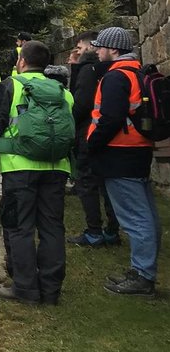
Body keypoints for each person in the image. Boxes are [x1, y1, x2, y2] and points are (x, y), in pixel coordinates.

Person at [0, 40, 74, 305]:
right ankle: (51, 289)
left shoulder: (10, 86)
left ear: (21, 61)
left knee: (19, 226)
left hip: (18, 166)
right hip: (57, 167)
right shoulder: (62, 90)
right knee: (52, 227)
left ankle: (25, 287)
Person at [86, 27, 158, 296]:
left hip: (119, 153)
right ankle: (143, 271)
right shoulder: (138, 72)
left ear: (113, 50)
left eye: (100, 47)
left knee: (136, 218)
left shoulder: (116, 77)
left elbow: (111, 118)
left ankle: (143, 276)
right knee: (146, 213)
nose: (96, 51)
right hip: (137, 150)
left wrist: (92, 145)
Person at [67, 31, 120, 247]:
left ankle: (94, 231)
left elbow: (80, 103)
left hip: (87, 131)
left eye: (79, 48)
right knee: (105, 183)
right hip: (106, 132)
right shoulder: (107, 69)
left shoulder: (88, 70)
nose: (76, 52)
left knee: (86, 181)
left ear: (89, 48)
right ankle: (112, 229)